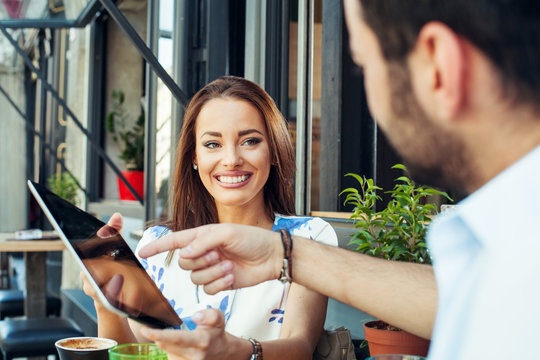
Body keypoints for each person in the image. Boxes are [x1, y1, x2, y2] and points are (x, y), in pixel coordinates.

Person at [138, 1, 540, 359]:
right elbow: (473, 299)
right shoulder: (502, 255)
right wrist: (287, 256)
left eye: (363, 64)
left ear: (439, 65)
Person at [83, 76, 338, 359]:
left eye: (250, 141)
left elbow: (300, 346)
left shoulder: (309, 237)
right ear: (194, 156)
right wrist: (104, 302)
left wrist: (238, 351)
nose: (231, 159)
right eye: (213, 144)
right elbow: (133, 353)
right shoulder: (157, 246)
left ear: (274, 151)